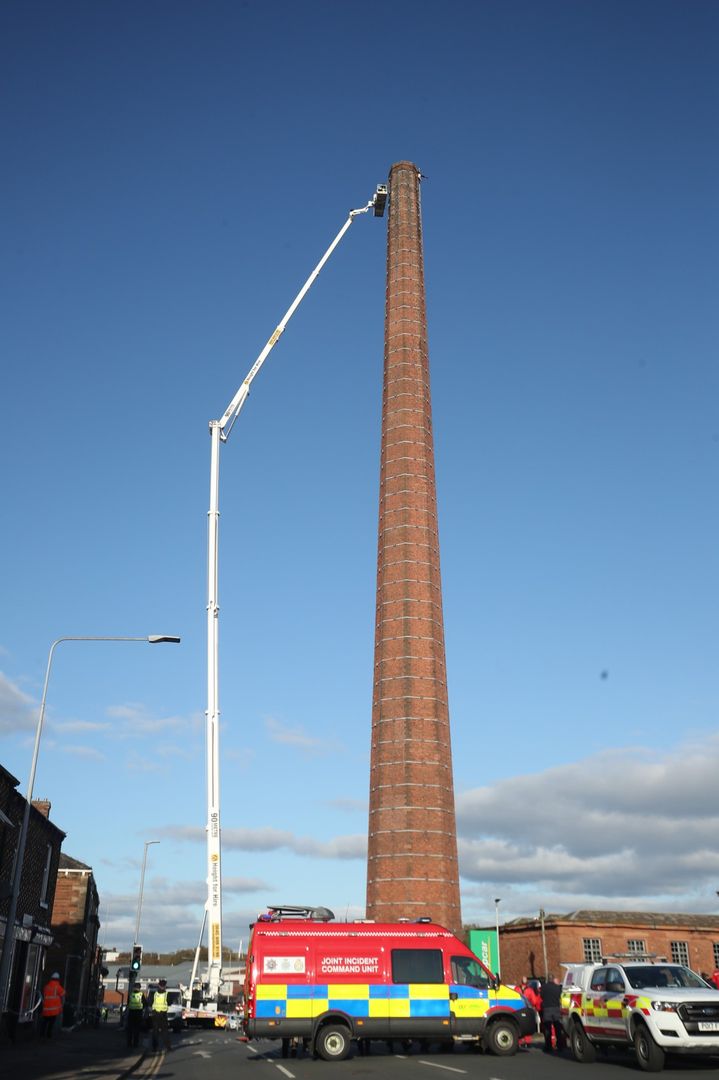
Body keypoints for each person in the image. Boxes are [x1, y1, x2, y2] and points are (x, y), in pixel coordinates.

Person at [540, 974, 565, 1053]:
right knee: (558, 1028)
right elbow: (559, 996)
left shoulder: (544, 987)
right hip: (556, 1008)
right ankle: (560, 1045)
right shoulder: (557, 987)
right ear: (553, 979)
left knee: (548, 1029)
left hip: (547, 1009)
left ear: (548, 979)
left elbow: (541, 996)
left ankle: (548, 1046)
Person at [41, 972, 65, 1038]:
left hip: (46, 1008)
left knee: (44, 1022)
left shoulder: (47, 986)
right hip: (53, 1010)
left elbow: (44, 995)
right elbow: (63, 994)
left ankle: (42, 1034)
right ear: (58, 979)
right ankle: (49, 1035)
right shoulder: (58, 987)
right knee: (51, 1023)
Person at [150, 979, 171, 1052]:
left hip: (155, 1014)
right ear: (165, 986)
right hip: (163, 1014)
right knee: (165, 1032)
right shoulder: (167, 994)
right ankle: (168, 1047)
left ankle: (154, 1048)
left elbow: (150, 1002)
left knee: (155, 1032)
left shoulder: (155, 994)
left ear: (159, 985)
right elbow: (170, 1002)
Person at [126, 983, 146, 1048]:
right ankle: (135, 1044)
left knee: (130, 1029)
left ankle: (129, 1043)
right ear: (139, 988)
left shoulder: (131, 994)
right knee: (136, 1029)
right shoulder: (141, 994)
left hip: (131, 1013)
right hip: (138, 1013)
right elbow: (145, 1003)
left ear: (134, 987)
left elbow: (128, 1003)